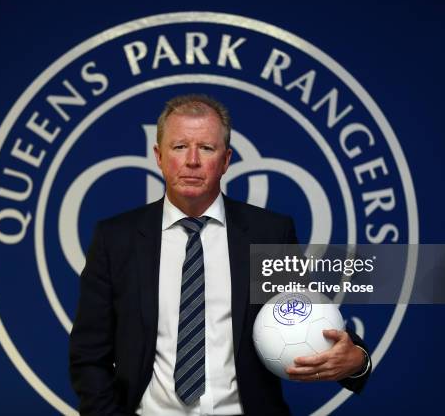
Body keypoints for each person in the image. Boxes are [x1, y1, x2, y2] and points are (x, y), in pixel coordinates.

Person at [69, 94, 371, 416]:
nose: (192, 160)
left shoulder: (267, 234)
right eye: (180, 146)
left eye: (207, 148)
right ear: (158, 156)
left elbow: (308, 317)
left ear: (226, 161)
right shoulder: (116, 239)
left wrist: (357, 361)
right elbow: (89, 356)